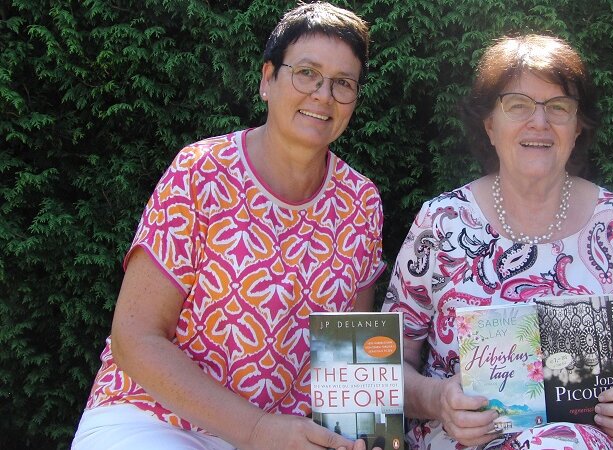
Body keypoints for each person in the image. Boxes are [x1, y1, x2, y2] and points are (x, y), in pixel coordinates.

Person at [72, 3, 384, 450]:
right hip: (156, 418)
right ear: (267, 79)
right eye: (307, 73)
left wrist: (360, 440)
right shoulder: (200, 173)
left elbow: (350, 359)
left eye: (343, 84)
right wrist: (255, 430)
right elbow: (134, 337)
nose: (323, 94)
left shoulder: (361, 202)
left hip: (286, 436)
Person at [382, 34, 613, 450]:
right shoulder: (442, 223)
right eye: (518, 105)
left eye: (558, 107)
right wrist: (439, 401)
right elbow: (385, 363)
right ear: (490, 124)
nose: (539, 123)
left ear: (577, 127)